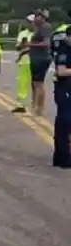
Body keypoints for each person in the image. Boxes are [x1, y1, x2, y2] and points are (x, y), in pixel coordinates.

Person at [52, 26, 71, 167]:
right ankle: (63, 156)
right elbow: (61, 71)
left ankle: (62, 155)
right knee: (65, 122)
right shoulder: (63, 50)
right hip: (64, 88)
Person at [13, 15, 35, 113]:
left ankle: (35, 105)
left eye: (32, 22)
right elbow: (17, 47)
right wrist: (23, 44)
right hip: (24, 61)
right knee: (22, 84)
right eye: (29, 22)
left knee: (36, 84)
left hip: (36, 61)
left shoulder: (39, 34)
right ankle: (20, 105)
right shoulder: (23, 34)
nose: (31, 24)